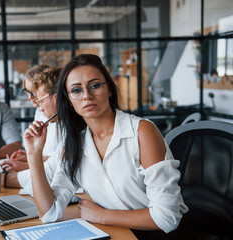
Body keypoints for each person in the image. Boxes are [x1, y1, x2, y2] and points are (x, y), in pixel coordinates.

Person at [23, 54, 192, 238]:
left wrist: (102, 216)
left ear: (109, 89)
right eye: (76, 90)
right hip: (118, 233)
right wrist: (33, 154)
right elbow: (49, 213)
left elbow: (167, 217)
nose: (87, 95)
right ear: (69, 100)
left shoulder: (141, 132)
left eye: (95, 85)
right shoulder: (76, 144)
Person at [1, 67, 62, 190]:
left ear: (55, 98)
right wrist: (31, 155)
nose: (30, 98)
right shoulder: (46, 115)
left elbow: (55, 167)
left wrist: (5, 179)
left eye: (33, 94)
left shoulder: (75, 127)